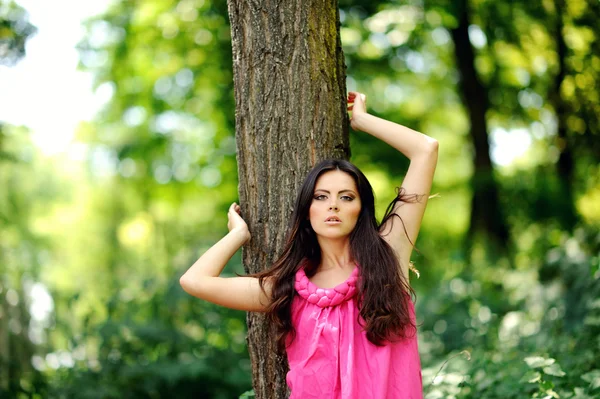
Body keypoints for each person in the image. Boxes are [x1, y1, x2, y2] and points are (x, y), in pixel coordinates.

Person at [179, 92, 438, 399]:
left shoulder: (389, 257)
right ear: (307, 210)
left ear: (361, 209)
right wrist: (238, 234)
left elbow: (426, 149)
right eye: (321, 197)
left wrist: (363, 120)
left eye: (346, 197)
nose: (333, 206)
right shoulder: (287, 289)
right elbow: (194, 281)